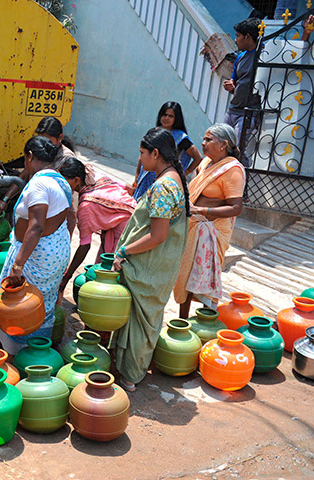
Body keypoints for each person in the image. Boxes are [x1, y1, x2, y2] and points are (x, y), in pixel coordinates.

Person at [110, 128, 190, 392]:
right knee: (144, 318)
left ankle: (131, 375)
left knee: (140, 320)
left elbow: (158, 235)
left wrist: (124, 251)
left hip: (149, 264)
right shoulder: (173, 178)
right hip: (158, 264)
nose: (140, 159)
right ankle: (130, 370)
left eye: (143, 153)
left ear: (156, 153)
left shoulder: (163, 186)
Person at [0, 136, 73, 353]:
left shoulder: (39, 183)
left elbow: (36, 227)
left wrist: (18, 264)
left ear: (29, 157)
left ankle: (15, 354)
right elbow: (68, 216)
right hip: (55, 250)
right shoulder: (61, 180)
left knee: (18, 303)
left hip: (36, 255)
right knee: (41, 303)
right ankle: (37, 353)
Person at [174, 123, 245, 318]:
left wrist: (202, 210)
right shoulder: (206, 163)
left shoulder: (233, 170)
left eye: (208, 139)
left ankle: (207, 322)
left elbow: (236, 208)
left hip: (212, 230)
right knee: (185, 274)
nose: (203, 143)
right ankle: (182, 320)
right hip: (193, 224)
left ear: (223, 144)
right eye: (204, 139)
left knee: (203, 275)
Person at [58, 157, 137, 297]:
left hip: (125, 228)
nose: (61, 185)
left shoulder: (86, 206)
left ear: (77, 180)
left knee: (111, 271)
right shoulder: (95, 177)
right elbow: (128, 189)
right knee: (102, 262)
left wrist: (66, 278)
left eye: (64, 181)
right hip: (131, 217)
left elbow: (84, 246)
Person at [0, 116, 76, 214]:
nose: (43, 143)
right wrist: (5, 199)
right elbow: (23, 176)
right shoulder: (40, 150)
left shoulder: (66, 158)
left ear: (60, 137)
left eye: (47, 139)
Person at [131, 101, 203, 199]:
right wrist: (136, 178)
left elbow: (198, 158)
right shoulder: (154, 132)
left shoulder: (181, 138)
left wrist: (185, 173)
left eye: (170, 116)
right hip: (145, 178)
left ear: (176, 119)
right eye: (164, 115)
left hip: (161, 180)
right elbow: (141, 158)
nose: (166, 118)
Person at [223, 18, 261, 167]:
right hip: (233, 109)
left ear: (247, 37)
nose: (235, 39)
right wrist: (230, 86)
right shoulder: (240, 57)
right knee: (222, 143)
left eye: (238, 36)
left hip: (248, 111)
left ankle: (241, 178)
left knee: (237, 149)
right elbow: (234, 80)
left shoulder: (263, 55)